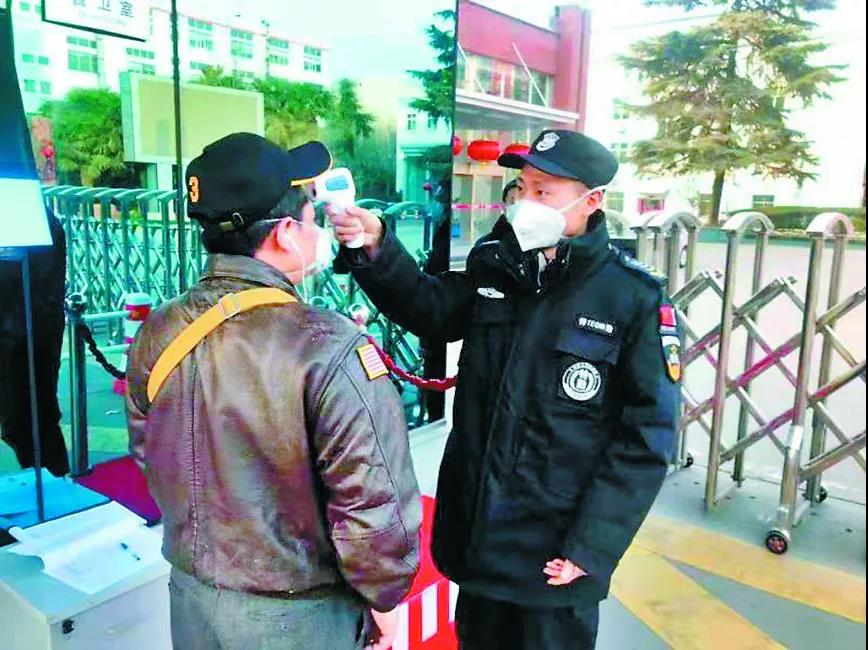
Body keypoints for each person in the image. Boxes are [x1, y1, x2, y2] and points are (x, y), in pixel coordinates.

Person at [328, 129, 681, 649]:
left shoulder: (631, 297)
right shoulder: (496, 260)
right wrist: (376, 246)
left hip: (554, 554)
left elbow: (646, 437)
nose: (525, 202)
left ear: (592, 200)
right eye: (522, 188)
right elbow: (432, 309)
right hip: (479, 537)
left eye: (544, 191)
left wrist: (593, 544)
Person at [125, 133, 421, 650]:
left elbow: (151, 454)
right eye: (312, 215)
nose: (319, 228)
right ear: (286, 233)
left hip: (193, 600)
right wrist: (384, 600)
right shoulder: (328, 347)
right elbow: (372, 505)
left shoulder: (162, 327)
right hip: (300, 618)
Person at [0, 207, 69, 477]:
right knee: (25, 421)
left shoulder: (29, 216)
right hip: (22, 333)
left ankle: (53, 482)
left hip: (24, 337)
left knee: (30, 421)